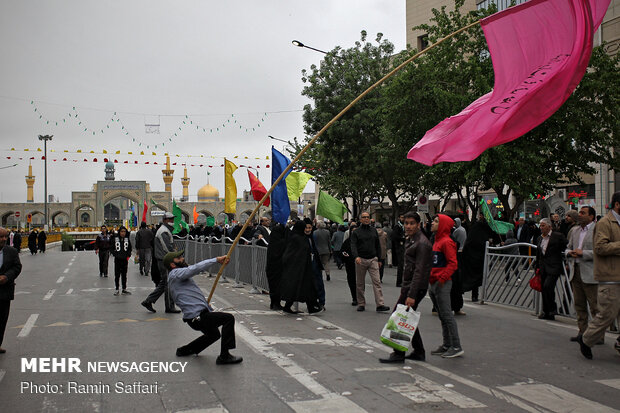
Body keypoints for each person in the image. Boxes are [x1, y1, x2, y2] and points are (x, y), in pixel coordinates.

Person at [165, 251, 242, 364]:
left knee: (214, 334)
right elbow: (195, 268)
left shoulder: (178, 276)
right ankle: (224, 356)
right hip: (198, 318)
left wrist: (206, 305)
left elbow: (190, 296)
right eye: (179, 258)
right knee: (228, 318)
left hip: (196, 317)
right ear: (172, 265)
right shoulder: (175, 274)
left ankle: (186, 350)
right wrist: (216, 260)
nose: (182, 259)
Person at [379, 212, 432, 363]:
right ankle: (419, 351)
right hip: (409, 285)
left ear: (418, 225)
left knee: (399, 316)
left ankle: (398, 353)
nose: (408, 226)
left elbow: (419, 271)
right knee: (407, 317)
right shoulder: (413, 240)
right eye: (406, 223)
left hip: (415, 287)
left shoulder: (422, 243)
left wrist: (411, 294)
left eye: (411, 223)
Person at [577, 192, 620, 359]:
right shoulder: (604, 223)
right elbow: (600, 248)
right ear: (617, 204)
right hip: (610, 277)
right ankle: (586, 339)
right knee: (607, 314)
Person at [428, 215, 463, 358]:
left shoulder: (446, 242)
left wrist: (442, 278)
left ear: (443, 225)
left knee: (447, 315)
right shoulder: (436, 241)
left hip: (442, 283)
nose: (432, 223)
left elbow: (453, 263)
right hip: (434, 282)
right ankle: (446, 344)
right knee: (442, 316)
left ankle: (456, 346)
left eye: (436, 221)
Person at [566, 206, 598, 342]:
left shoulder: (597, 230)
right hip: (576, 270)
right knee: (579, 304)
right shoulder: (575, 231)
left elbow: (600, 250)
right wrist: (569, 253)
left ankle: (597, 335)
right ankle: (582, 331)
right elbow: (568, 247)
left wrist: (583, 253)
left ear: (591, 217)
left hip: (591, 273)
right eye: (579, 212)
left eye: (583, 213)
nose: (580, 215)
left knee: (595, 306)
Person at [280, 220, 322, 314]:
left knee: (304, 288)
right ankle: (309, 307)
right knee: (302, 287)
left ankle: (310, 307)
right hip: (300, 268)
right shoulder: (298, 238)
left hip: (300, 268)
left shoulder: (296, 237)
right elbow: (298, 253)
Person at [142, 212, 180, 313]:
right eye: (169, 219)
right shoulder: (163, 231)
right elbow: (167, 247)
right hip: (165, 260)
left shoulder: (166, 230)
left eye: (172, 219)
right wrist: (176, 257)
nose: (172, 221)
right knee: (169, 284)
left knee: (164, 283)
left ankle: (148, 301)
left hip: (164, 259)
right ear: (164, 220)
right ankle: (169, 307)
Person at [352, 212, 390, 313]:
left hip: (373, 259)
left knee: (377, 282)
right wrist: (356, 257)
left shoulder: (373, 231)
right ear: (360, 220)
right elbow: (353, 245)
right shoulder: (356, 232)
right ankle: (361, 303)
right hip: (361, 259)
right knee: (360, 283)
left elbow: (377, 245)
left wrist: (380, 259)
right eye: (364, 217)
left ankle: (380, 304)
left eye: (367, 217)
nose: (366, 219)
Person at [534, 218, 568, 320]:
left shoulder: (558, 236)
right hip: (543, 267)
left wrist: (566, 261)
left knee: (548, 286)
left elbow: (567, 247)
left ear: (549, 226)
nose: (541, 228)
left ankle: (552, 308)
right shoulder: (539, 239)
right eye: (540, 225)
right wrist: (537, 267)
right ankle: (546, 311)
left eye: (543, 225)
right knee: (544, 289)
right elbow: (538, 254)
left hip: (554, 266)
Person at [0, 227, 22, 354]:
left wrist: (7, 277)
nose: (3, 239)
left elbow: (17, 267)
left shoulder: (11, 251)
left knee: (2, 320)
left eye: (5, 236)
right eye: (1, 237)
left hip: (4, 292)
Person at [265, 223, 286, 310]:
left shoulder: (272, 242)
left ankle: (273, 303)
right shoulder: (281, 242)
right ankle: (276, 303)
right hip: (278, 268)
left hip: (271, 267)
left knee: (273, 286)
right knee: (277, 286)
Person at [111, 226, 132, 296]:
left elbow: (129, 248)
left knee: (124, 274)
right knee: (117, 275)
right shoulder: (115, 239)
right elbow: (111, 247)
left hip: (124, 259)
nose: (123, 233)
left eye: (124, 232)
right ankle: (117, 289)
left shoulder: (127, 239)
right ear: (119, 232)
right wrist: (115, 254)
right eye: (122, 232)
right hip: (117, 259)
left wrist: (128, 255)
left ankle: (124, 289)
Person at [341, 223, 358, 305]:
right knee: (352, 281)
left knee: (359, 281)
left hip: (359, 264)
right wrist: (345, 255)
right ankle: (354, 297)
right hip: (350, 264)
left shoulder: (361, 241)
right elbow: (343, 251)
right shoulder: (347, 241)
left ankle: (360, 297)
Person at [392, 214, 405, 287]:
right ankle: (399, 281)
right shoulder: (397, 226)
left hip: (403, 247)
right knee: (401, 265)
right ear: (399, 218)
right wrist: (403, 238)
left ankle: (402, 281)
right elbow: (394, 236)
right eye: (402, 217)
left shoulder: (404, 226)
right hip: (399, 247)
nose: (403, 219)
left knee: (403, 265)